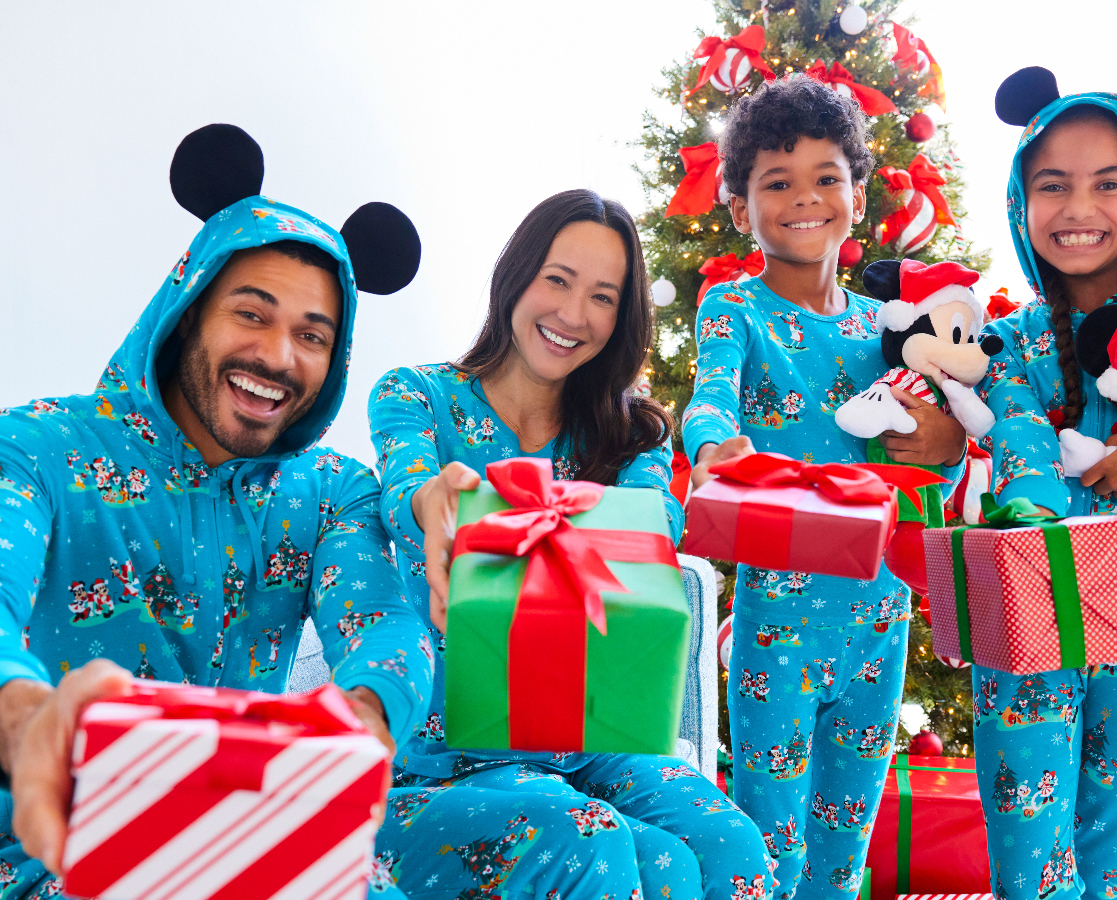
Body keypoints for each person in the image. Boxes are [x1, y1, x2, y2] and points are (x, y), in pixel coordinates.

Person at [0, 124, 431, 899]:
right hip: (47, 848)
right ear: (188, 309)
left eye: (313, 335)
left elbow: (384, 624)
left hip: (256, 830)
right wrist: (26, 718)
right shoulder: (37, 447)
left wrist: (366, 714)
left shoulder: (334, 491)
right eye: (252, 314)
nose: (278, 356)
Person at [367, 189, 772, 900]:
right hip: (442, 751)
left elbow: (655, 529)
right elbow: (410, 491)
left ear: (621, 319)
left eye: (603, 297)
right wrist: (435, 502)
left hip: (589, 739)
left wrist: (710, 495)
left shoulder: (632, 434)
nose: (573, 315)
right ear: (516, 276)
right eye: (557, 280)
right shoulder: (417, 396)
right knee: (607, 845)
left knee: (728, 847)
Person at [681, 76, 968, 899]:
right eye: (777, 182)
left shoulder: (889, 328)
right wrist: (711, 447)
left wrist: (945, 444)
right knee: (768, 850)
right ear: (740, 207)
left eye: (824, 177)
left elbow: (936, 450)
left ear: (858, 191)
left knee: (845, 851)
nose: (804, 198)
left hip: (882, 622)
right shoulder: (734, 307)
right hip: (778, 627)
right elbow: (710, 395)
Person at [974, 54, 1117, 899]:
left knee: (1111, 853)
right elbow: (1021, 443)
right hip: (1032, 604)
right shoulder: (1011, 339)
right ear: (1021, 201)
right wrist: (1028, 506)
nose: (1077, 210)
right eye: (1051, 186)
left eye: (1109, 184)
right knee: (1027, 857)